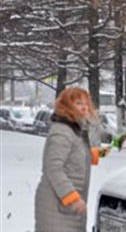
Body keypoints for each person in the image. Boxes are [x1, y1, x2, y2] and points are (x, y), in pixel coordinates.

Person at [34, 87, 109, 232]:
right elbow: (53, 168)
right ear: (67, 106)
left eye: (86, 103)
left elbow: (86, 157)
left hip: (69, 206)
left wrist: (114, 145)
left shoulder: (76, 132)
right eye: (79, 103)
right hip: (55, 205)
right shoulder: (61, 131)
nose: (85, 107)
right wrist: (72, 198)